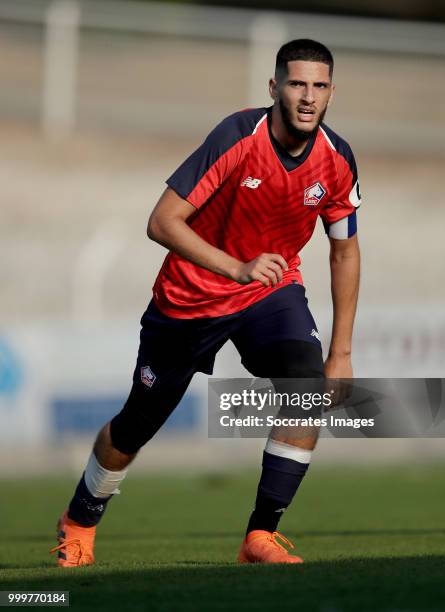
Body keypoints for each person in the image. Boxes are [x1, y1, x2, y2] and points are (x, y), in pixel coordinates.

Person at [50, 38, 361, 567]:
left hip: (270, 293)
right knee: (137, 425)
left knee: (305, 385)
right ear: (274, 87)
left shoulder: (337, 160)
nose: (308, 96)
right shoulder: (238, 136)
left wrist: (342, 353)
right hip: (190, 298)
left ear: (332, 92)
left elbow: (345, 251)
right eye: (296, 83)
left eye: (319, 85)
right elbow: (161, 221)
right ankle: (80, 518)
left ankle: (259, 536)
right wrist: (235, 266)